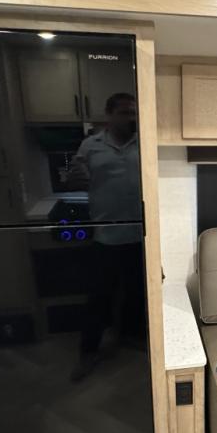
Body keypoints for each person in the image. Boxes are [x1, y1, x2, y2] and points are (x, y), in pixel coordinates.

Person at [68, 92, 146, 381]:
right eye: (125, 112)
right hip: (106, 235)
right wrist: (74, 177)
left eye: (134, 113)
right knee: (98, 298)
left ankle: (130, 336)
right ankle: (88, 351)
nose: (131, 118)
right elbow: (75, 178)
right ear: (109, 115)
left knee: (137, 294)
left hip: (140, 235)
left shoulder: (144, 142)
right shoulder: (91, 145)